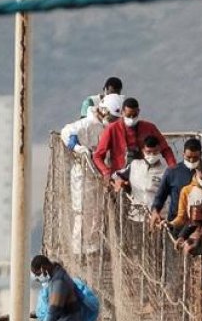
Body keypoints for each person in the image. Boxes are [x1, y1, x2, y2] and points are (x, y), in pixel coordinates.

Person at [61, 95, 122, 255]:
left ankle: (92, 245)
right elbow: (67, 131)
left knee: (97, 210)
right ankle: (78, 248)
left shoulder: (109, 128)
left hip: (100, 174)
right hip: (83, 174)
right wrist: (77, 147)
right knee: (82, 210)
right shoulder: (88, 123)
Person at [91, 97, 176, 179]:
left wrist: (173, 169)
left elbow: (165, 149)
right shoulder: (112, 129)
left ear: (138, 112)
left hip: (145, 174)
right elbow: (97, 156)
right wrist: (106, 172)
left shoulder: (149, 127)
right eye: (128, 115)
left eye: (134, 115)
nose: (131, 118)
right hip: (120, 175)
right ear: (122, 112)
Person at [151, 137, 202, 229]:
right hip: (176, 223)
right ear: (183, 154)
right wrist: (155, 212)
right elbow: (160, 196)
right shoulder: (172, 171)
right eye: (188, 157)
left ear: (201, 155)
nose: (191, 160)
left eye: (195, 158)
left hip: (201, 225)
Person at [113, 136, 170, 219]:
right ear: (143, 151)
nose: (152, 155)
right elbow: (118, 175)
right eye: (149, 152)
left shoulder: (167, 171)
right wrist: (120, 181)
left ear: (160, 150)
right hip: (136, 216)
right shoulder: (135, 165)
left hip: (157, 217)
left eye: (155, 152)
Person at [168, 158, 202, 235]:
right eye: (201, 178)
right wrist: (171, 223)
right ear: (196, 171)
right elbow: (181, 217)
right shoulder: (186, 190)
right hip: (191, 232)